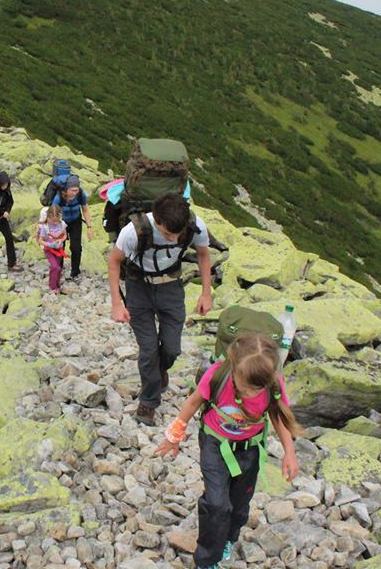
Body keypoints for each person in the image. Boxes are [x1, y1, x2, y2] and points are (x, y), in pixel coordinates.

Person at [156, 333, 303, 569]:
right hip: (215, 444)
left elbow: (278, 416)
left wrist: (290, 452)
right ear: (233, 368)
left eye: (256, 391)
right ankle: (207, 559)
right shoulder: (218, 375)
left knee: (239, 503)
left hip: (250, 448)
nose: (250, 395)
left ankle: (229, 538)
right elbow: (193, 402)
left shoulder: (271, 384)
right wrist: (174, 436)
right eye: (245, 390)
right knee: (216, 504)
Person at [108, 193, 213, 425]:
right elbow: (114, 261)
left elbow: (204, 255)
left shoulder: (194, 226)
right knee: (148, 350)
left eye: (177, 234)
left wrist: (206, 293)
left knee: (172, 348)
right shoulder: (134, 231)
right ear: (157, 221)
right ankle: (148, 402)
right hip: (139, 289)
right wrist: (117, 303)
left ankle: (159, 372)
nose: (174, 239)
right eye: (167, 234)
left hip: (171, 288)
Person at [51, 175, 92, 280]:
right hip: (61, 222)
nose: (75, 193)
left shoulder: (81, 195)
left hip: (75, 221)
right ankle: (58, 269)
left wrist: (89, 227)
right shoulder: (58, 198)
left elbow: (85, 210)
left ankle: (75, 271)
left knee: (76, 247)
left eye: (76, 190)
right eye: (72, 190)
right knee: (60, 246)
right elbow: (53, 214)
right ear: (66, 189)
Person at [37, 205, 68, 294]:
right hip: (49, 250)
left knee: (58, 267)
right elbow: (40, 240)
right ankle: (52, 286)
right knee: (55, 266)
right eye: (52, 220)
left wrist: (60, 240)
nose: (55, 223)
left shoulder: (62, 224)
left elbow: (65, 235)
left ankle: (57, 283)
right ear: (48, 217)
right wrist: (49, 244)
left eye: (56, 220)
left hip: (59, 249)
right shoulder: (45, 227)